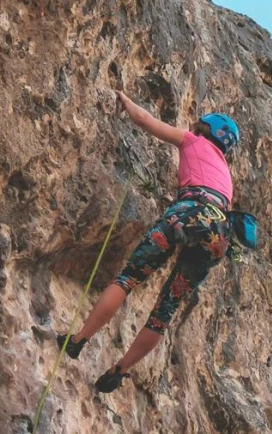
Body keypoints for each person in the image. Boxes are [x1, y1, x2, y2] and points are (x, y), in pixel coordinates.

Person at [58, 92, 240, 393]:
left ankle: (77, 341)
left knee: (129, 278)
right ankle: (120, 370)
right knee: (163, 313)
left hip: (189, 213)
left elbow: (146, 121)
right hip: (218, 236)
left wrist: (125, 100)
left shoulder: (195, 141)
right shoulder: (227, 177)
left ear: (203, 129)